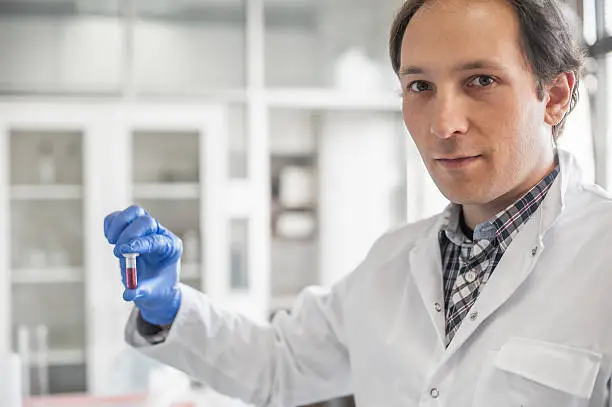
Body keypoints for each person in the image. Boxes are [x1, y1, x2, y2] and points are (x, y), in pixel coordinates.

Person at [103, 0, 612, 405]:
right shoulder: (390, 263)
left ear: (555, 96)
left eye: (481, 80)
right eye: (420, 86)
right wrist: (170, 309)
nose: (442, 124)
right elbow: (277, 367)